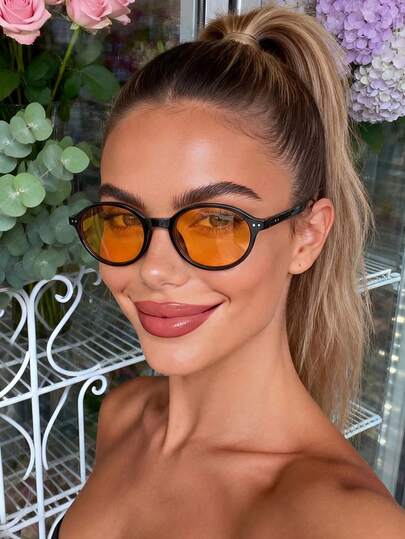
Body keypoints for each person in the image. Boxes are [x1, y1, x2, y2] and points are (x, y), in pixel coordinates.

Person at [60, 5, 405, 538]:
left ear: (306, 236)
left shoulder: (349, 525)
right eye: (122, 219)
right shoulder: (123, 417)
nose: (154, 270)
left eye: (216, 222)